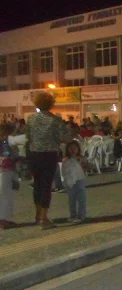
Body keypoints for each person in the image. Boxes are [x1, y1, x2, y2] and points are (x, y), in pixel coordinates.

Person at [26, 92, 70, 229]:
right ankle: (44, 218)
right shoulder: (55, 120)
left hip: (34, 154)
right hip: (49, 155)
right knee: (46, 186)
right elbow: (65, 138)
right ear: (51, 104)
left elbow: (28, 136)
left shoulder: (31, 119)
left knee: (37, 185)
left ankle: (37, 214)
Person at [61, 141, 89, 223]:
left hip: (80, 179)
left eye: (75, 148)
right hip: (70, 181)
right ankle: (73, 215)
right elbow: (64, 171)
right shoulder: (66, 159)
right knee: (71, 199)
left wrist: (82, 163)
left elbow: (86, 168)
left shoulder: (81, 158)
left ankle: (81, 215)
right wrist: (65, 181)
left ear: (78, 149)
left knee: (81, 198)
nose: (73, 150)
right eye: (71, 148)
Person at [0, 124, 19, 230]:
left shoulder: (7, 142)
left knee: (7, 195)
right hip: (4, 170)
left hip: (8, 170)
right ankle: (2, 219)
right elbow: (8, 155)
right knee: (4, 195)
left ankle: (4, 218)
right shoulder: (4, 143)